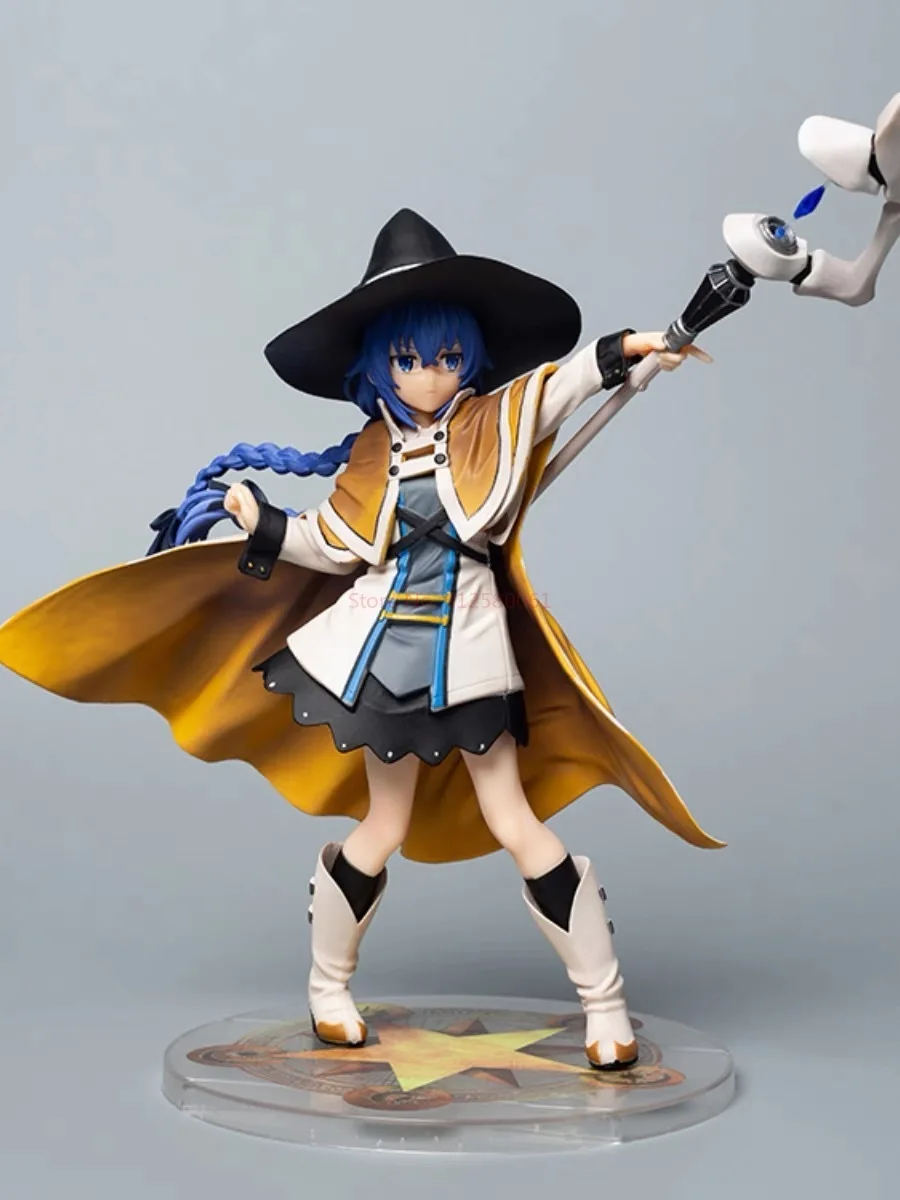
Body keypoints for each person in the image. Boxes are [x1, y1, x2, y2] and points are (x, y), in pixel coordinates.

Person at [0, 208, 720, 1071]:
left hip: (471, 654)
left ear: (470, 360)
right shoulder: (371, 456)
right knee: (382, 825)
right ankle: (328, 991)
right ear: (380, 364)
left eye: (446, 357)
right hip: (380, 658)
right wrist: (263, 523)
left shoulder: (494, 422)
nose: (428, 375)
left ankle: (605, 1007)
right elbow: (332, 544)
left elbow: (563, 386)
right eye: (409, 359)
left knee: (515, 821)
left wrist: (634, 350)